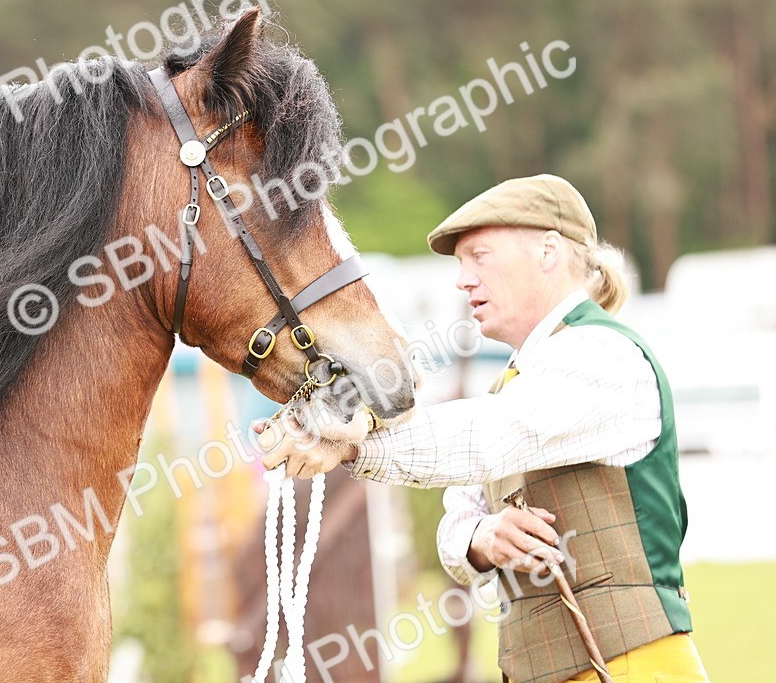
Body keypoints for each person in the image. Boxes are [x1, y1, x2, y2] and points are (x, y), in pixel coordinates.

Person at [258, 174, 708, 683]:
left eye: (480, 255)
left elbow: (485, 439)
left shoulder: (604, 353)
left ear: (547, 251)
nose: (462, 279)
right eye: (460, 263)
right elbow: (455, 526)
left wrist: (344, 444)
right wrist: (483, 535)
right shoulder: (516, 383)